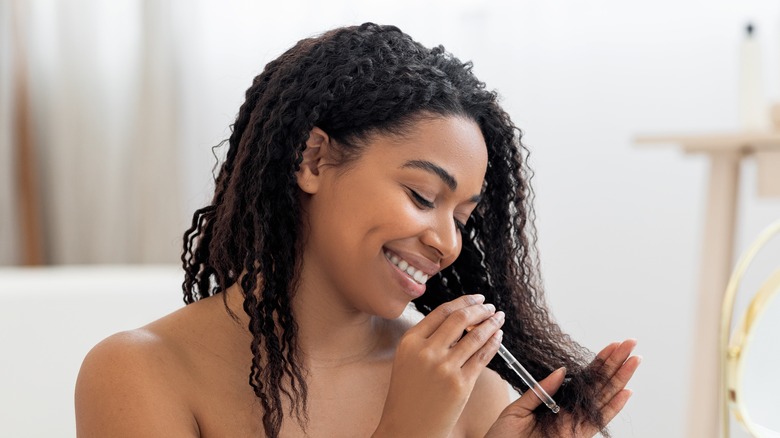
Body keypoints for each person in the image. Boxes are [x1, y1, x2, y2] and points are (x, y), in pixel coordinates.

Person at [75, 23, 639, 437]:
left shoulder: (466, 387)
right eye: (422, 196)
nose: (446, 242)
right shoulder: (140, 373)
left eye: (462, 217)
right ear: (314, 160)